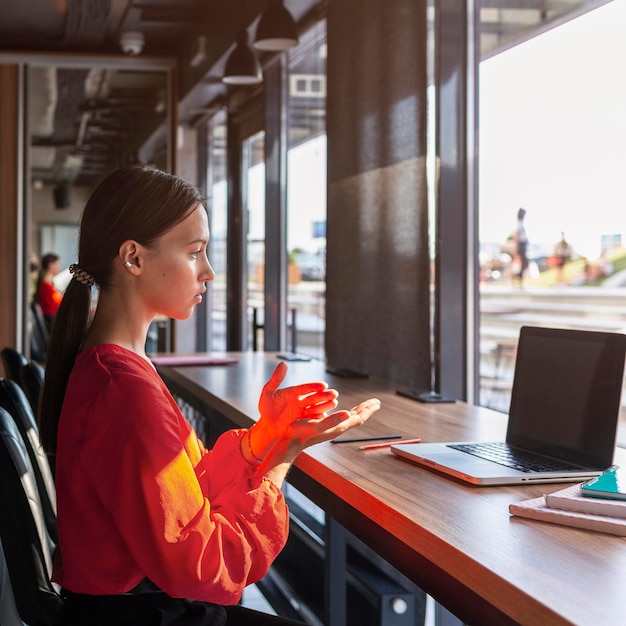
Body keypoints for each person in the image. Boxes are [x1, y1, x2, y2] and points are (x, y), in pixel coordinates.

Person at [38, 164, 380, 626]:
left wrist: (264, 438)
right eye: (195, 252)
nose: (210, 272)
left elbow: (186, 485)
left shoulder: (113, 368)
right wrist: (282, 458)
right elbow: (205, 568)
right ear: (134, 258)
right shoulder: (125, 390)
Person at [35, 252, 64, 328]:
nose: (59, 267)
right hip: (50, 322)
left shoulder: (49, 285)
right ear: (51, 265)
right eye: (58, 264)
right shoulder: (45, 287)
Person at [512, 208, 529, 288]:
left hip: (522, 245)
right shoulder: (519, 224)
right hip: (521, 246)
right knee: (524, 263)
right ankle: (517, 277)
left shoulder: (521, 223)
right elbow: (517, 236)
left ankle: (518, 278)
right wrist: (517, 248)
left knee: (524, 263)